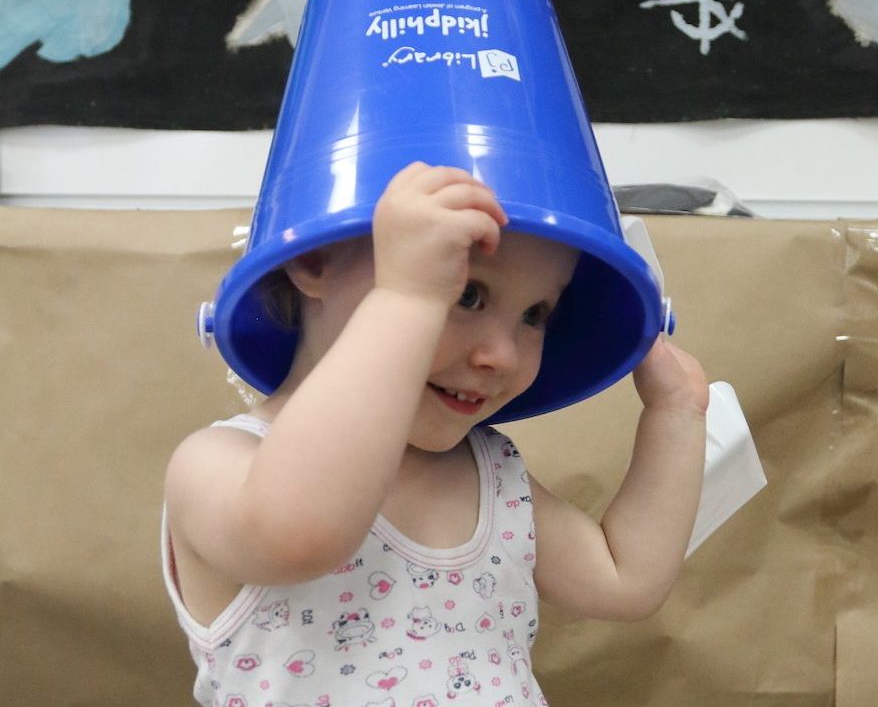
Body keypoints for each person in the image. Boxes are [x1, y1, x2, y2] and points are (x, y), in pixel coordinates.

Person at [162, 160, 708, 707]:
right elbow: (298, 535)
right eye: (467, 294)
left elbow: (624, 579)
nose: (502, 354)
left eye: (535, 314)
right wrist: (409, 298)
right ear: (314, 261)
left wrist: (676, 414)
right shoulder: (217, 461)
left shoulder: (491, 475)